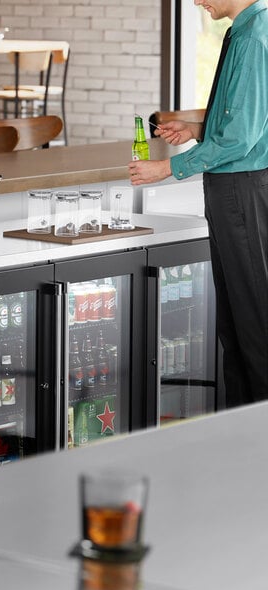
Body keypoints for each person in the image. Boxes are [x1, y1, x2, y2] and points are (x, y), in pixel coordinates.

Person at [129, 0, 268, 407]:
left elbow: (240, 140)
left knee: (254, 325)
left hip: (242, 192)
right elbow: (246, 122)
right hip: (235, 190)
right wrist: (196, 128)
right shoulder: (244, 30)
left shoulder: (255, 38)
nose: (196, 1)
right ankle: (239, 436)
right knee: (236, 325)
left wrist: (167, 169)